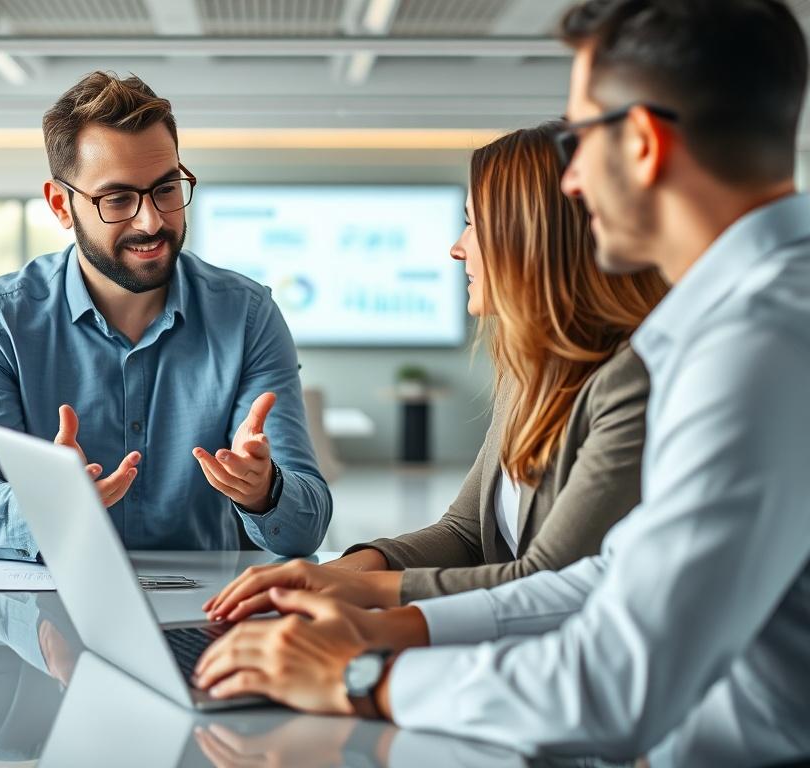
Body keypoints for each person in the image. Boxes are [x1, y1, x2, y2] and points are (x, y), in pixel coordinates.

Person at [193, 2, 810, 765]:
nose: (573, 179)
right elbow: (602, 581)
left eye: (581, 138)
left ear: (644, 144)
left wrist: (361, 678)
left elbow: (615, 682)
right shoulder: (725, 326)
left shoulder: (758, 344)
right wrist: (383, 624)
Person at [203, 121, 666, 624]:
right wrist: (348, 570)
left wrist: (362, 594)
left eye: (474, 224)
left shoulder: (628, 381)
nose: (457, 248)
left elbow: (548, 579)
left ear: (531, 239)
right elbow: (465, 533)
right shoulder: (525, 375)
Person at [0, 72, 331, 560]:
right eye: (118, 199)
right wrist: (47, 509)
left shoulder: (248, 316)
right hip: (43, 607)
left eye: (166, 189)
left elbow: (306, 526)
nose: (152, 221)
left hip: (206, 613)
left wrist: (264, 490)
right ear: (62, 205)